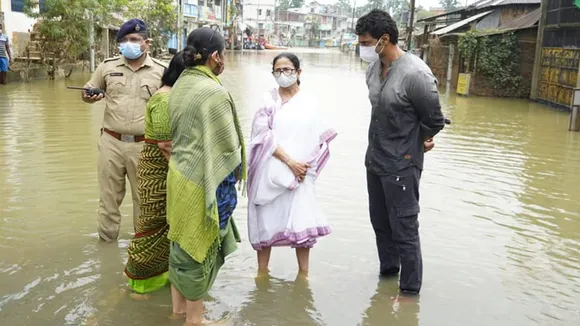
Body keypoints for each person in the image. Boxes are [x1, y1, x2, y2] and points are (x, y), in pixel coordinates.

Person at [355, 9, 446, 294]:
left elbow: (434, 119)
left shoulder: (416, 74)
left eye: (366, 42)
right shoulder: (373, 69)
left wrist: (420, 140)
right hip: (376, 160)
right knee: (380, 224)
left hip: (403, 166)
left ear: (384, 39)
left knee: (405, 230)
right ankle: (388, 275)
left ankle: (409, 294)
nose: (362, 48)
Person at [166, 27, 246, 325]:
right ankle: (195, 320)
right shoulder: (213, 92)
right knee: (198, 252)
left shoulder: (180, 86)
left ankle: (178, 315)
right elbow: (228, 149)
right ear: (215, 57)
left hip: (179, 179)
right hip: (204, 186)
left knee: (181, 247)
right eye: (223, 55)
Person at [247, 52, 337, 275]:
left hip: (301, 174)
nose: (282, 74)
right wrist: (289, 162)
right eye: (278, 70)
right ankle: (262, 273)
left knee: (301, 224)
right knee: (266, 222)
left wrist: (302, 167)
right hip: (271, 171)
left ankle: (303, 275)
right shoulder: (268, 101)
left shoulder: (310, 102)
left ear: (298, 72)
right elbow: (262, 136)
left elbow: (319, 138)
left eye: (287, 69)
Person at [82, 19, 167, 242]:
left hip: (145, 146)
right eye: (124, 40)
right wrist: (89, 95)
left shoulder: (161, 72)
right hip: (111, 143)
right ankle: (107, 248)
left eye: (134, 40)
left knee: (145, 201)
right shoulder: (107, 67)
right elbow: (87, 93)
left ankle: (141, 250)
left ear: (146, 43)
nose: (128, 44)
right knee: (108, 200)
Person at [124, 52, 186, 297]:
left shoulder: (174, 98)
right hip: (160, 173)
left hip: (166, 171)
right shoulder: (164, 99)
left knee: (167, 228)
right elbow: (166, 144)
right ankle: (140, 285)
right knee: (152, 228)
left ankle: (164, 282)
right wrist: (184, 175)